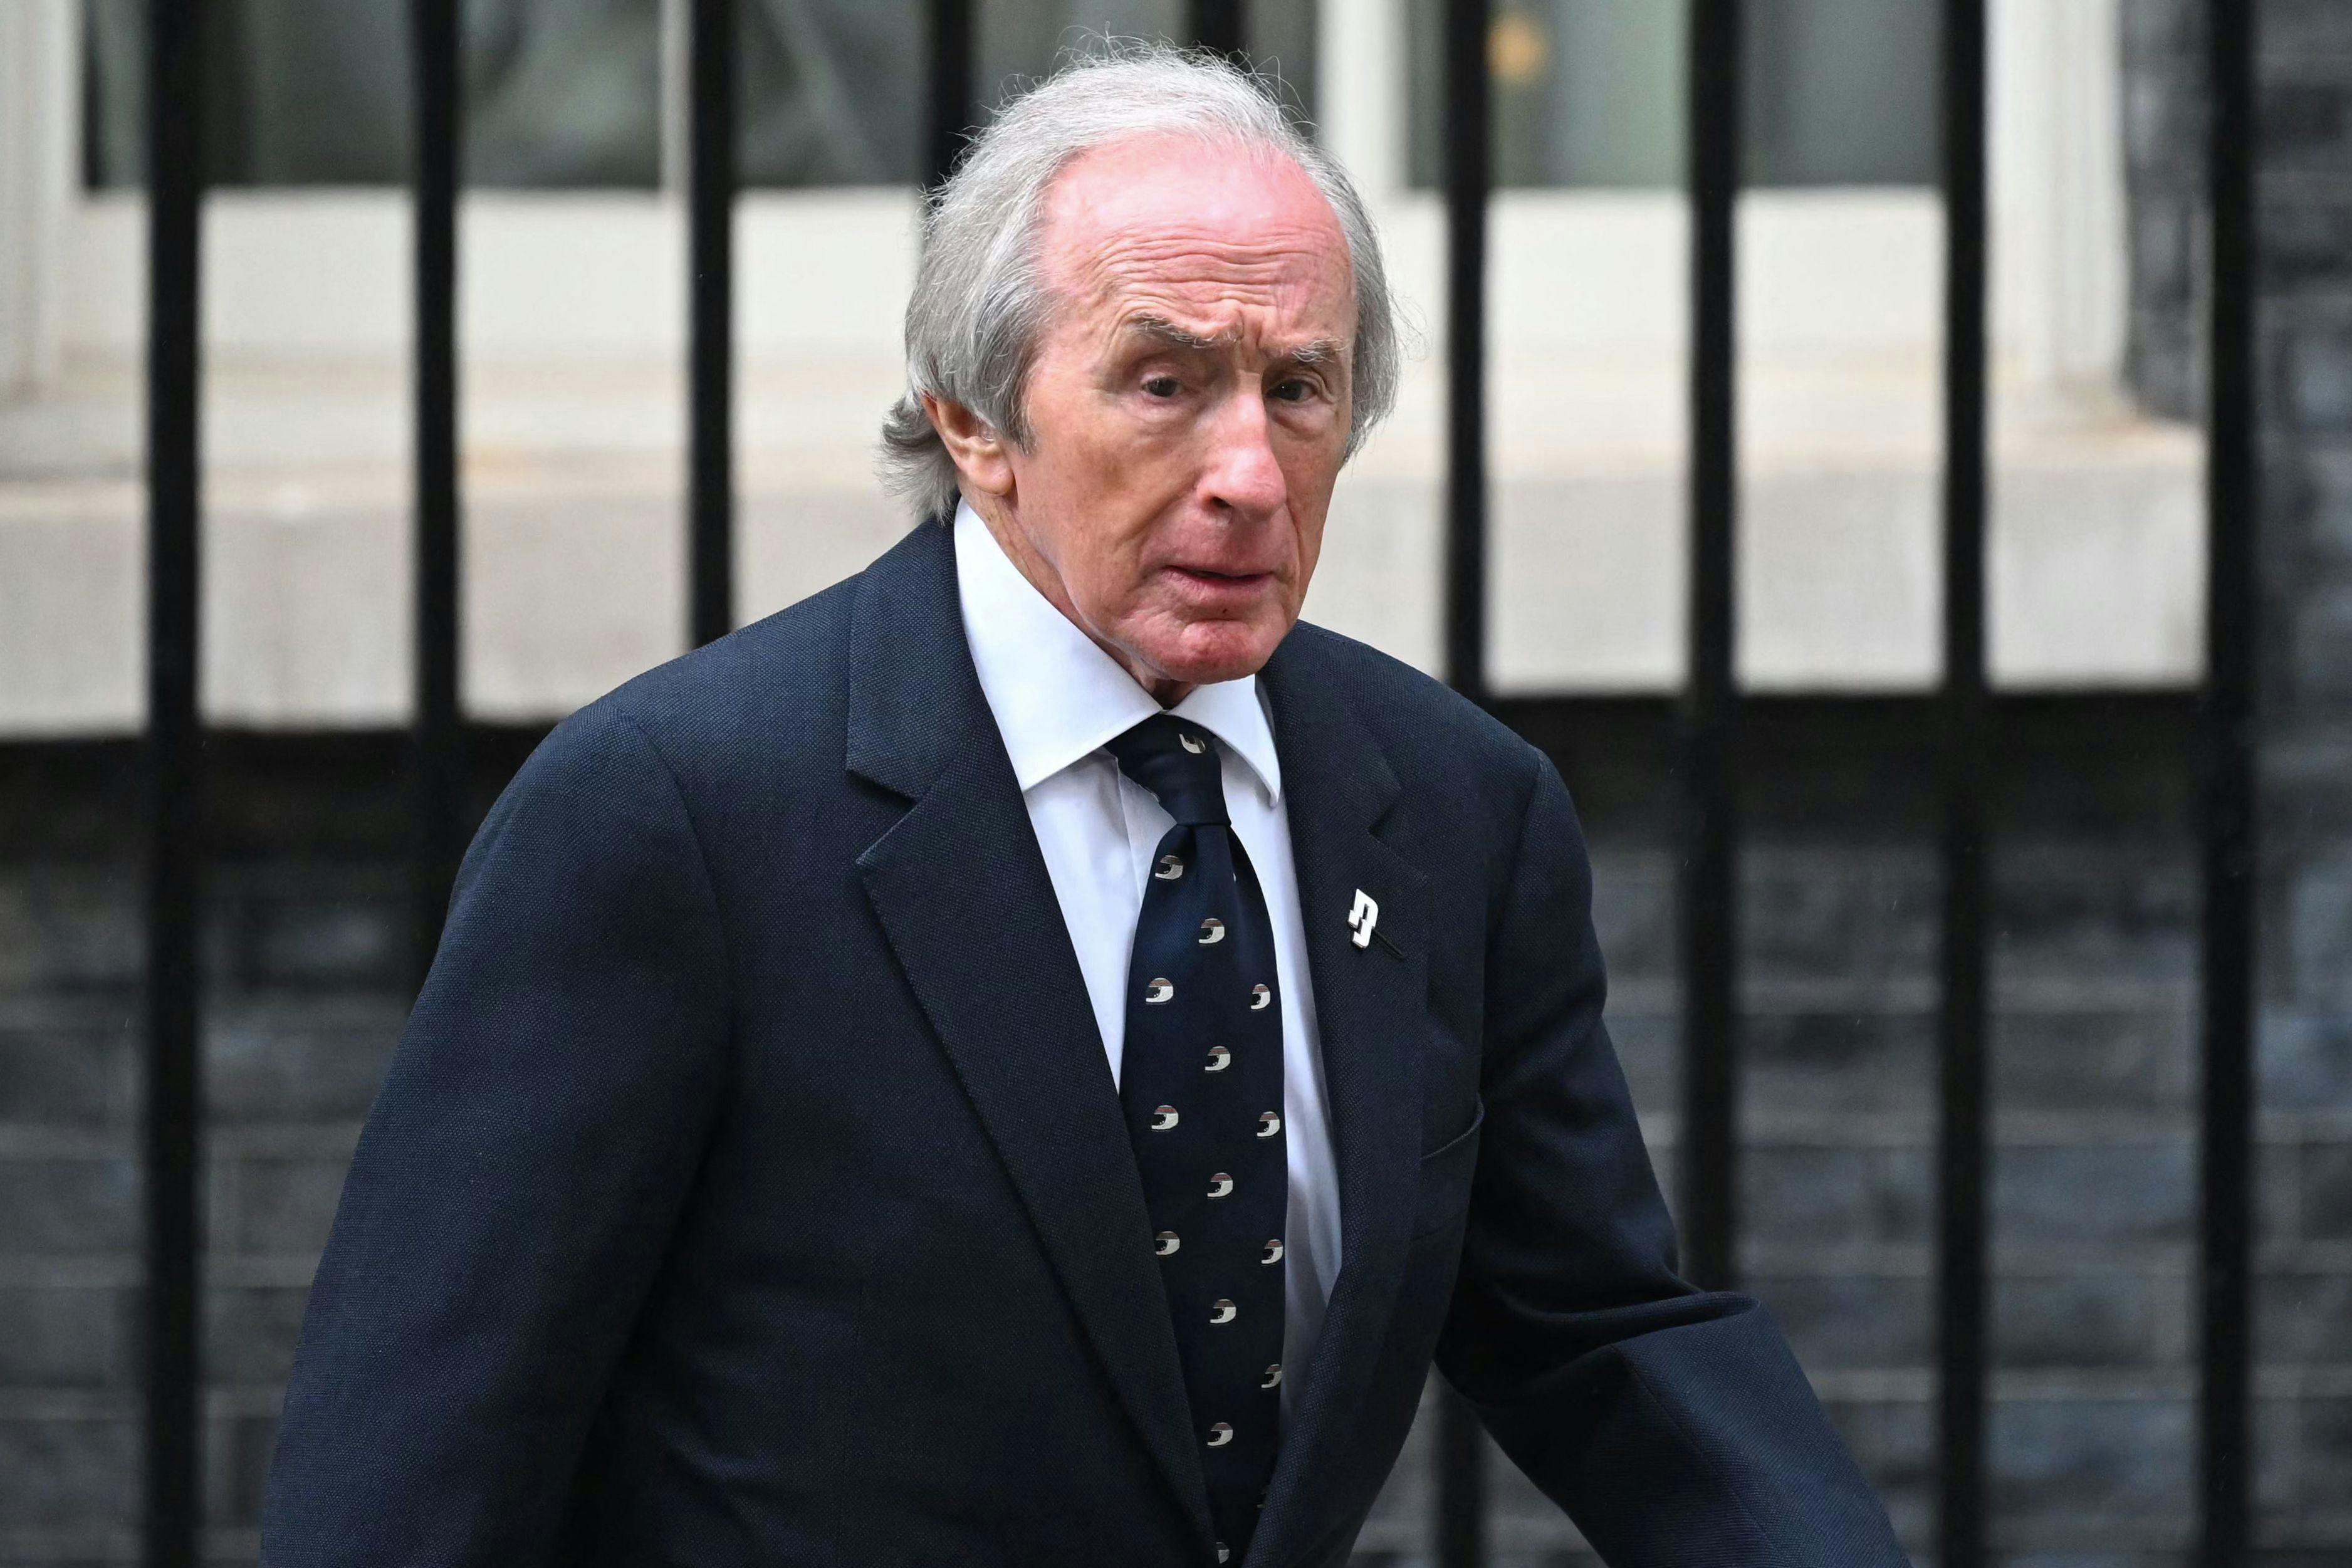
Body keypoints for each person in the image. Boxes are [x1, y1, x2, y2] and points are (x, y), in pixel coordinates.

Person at [263, 45, 1906, 1567]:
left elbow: (1589, 1327)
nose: (1249, 471)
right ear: (975, 422)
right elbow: (422, 1455)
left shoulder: (1457, 811)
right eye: (1164, 382)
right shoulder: (675, 813)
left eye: (1299, 391)